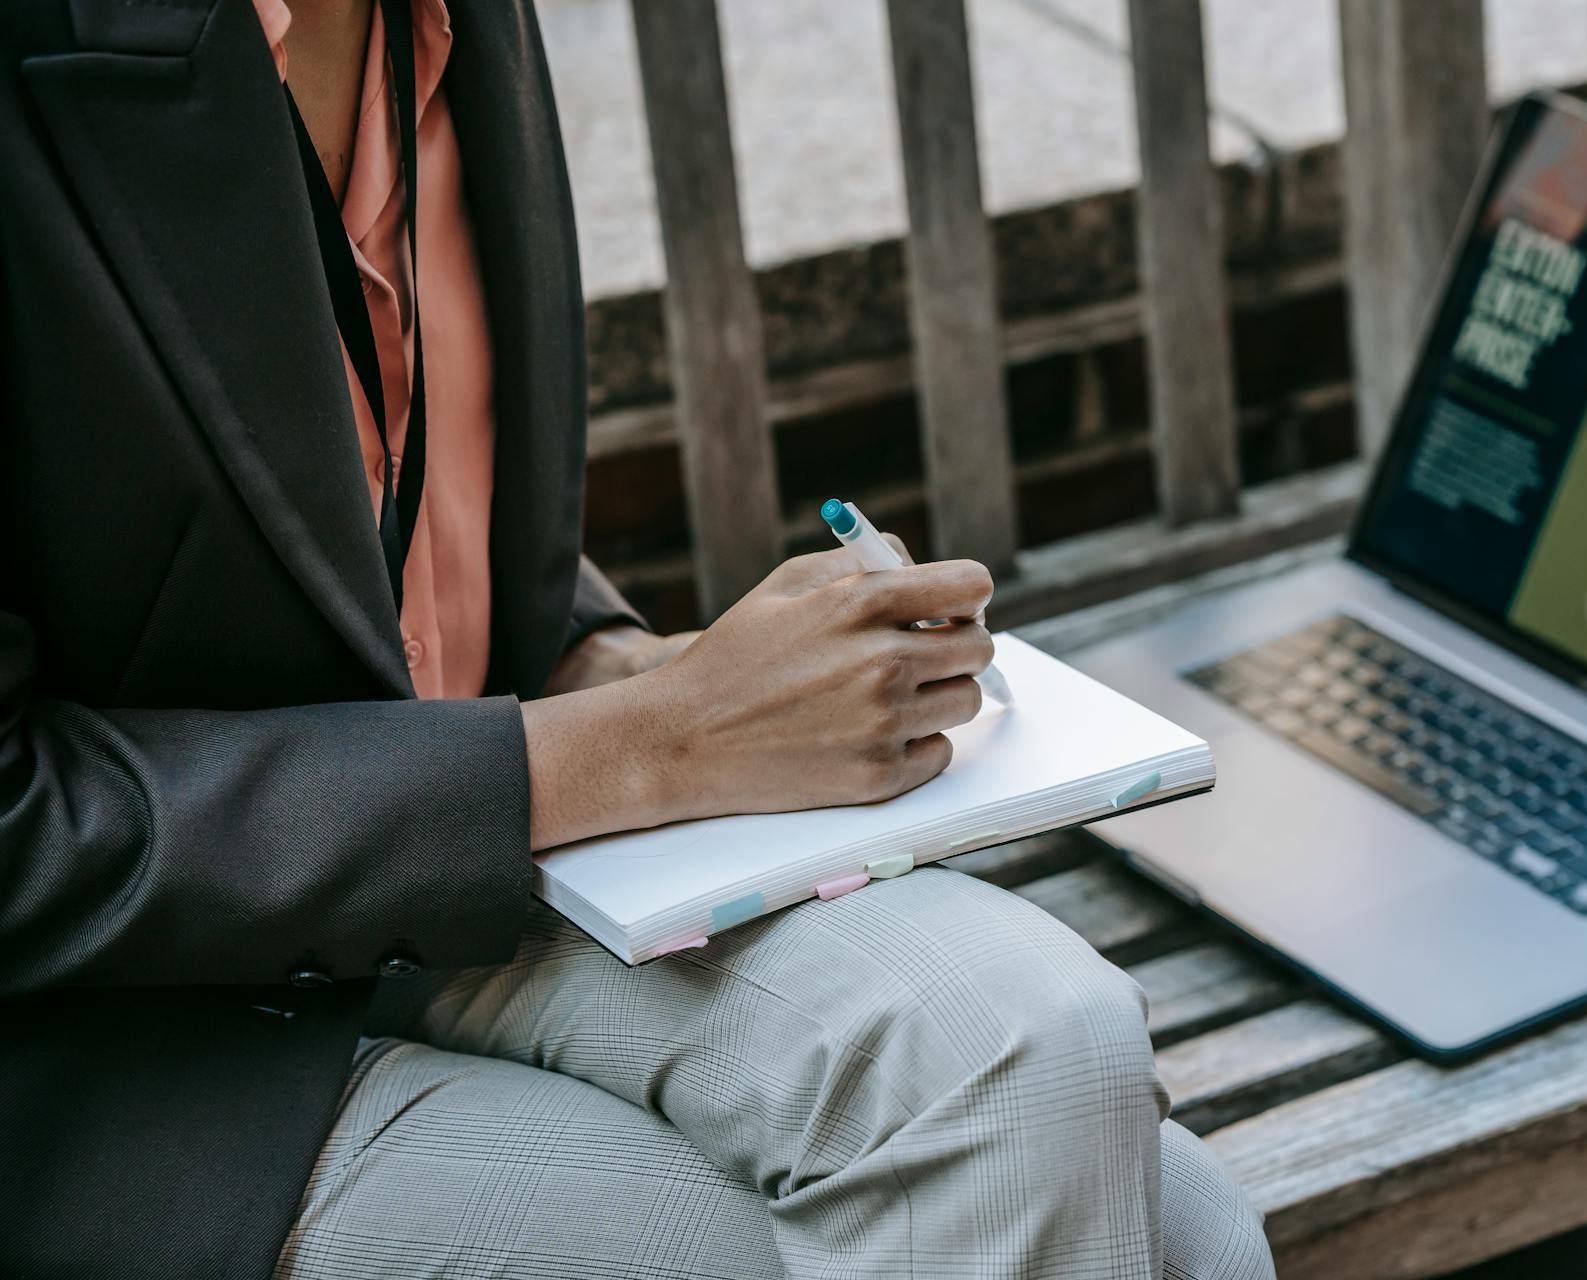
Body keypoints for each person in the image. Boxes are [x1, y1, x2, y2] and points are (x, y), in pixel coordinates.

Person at [0, 2, 1275, 1276]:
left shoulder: (449, 23)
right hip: (125, 1044)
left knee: (1060, 1077)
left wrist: (613, 662)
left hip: (448, 863)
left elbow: (353, 511)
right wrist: (647, 743)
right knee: (1153, 1242)